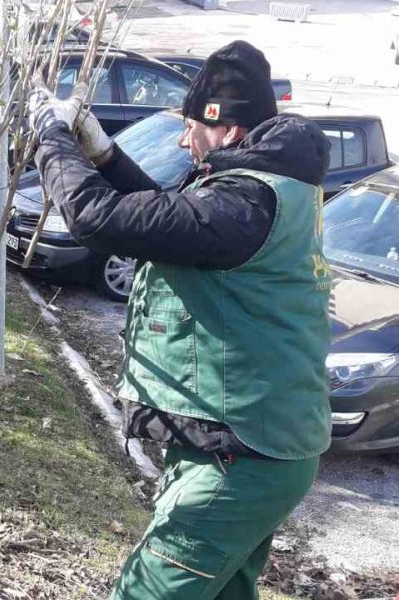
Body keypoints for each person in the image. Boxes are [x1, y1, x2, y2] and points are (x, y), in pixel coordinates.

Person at [27, 41, 333, 599]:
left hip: (240, 454)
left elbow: (101, 220)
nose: (181, 139)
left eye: (190, 125)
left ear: (227, 130)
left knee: (147, 591)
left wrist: (51, 137)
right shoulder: (261, 193)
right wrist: (104, 158)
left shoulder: (244, 204)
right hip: (243, 442)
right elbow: (174, 224)